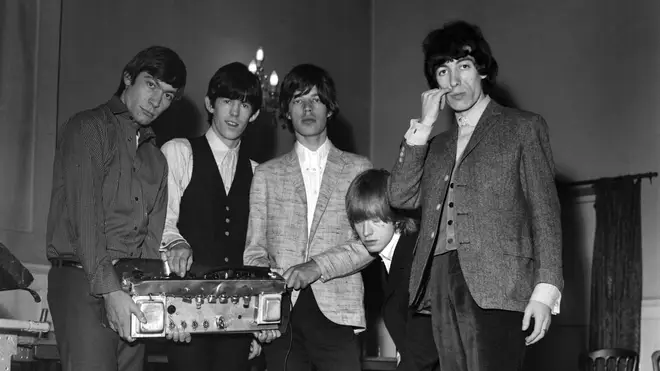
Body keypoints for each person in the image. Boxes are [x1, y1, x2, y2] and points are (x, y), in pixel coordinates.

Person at [387, 20, 564, 371]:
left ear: (482, 71)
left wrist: (546, 292)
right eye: (443, 71)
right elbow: (401, 196)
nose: (454, 81)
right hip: (436, 279)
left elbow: (545, 213)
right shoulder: (434, 145)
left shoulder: (522, 127)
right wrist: (422, 129)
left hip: (499, 283)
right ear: (434, 84)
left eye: (463, 66)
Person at [46, 46, 187, 371]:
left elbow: (151, 245)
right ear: (128, 77)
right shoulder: (87, 128)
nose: (156, 101)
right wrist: (110, 293)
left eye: (167, 96)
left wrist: (156, 301)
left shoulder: (158, 161)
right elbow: (85, 220)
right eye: (151, 84)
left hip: (132, 289)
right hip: (82, 281)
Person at [243, 63, 373, 371]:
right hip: (282, 317)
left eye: (315, 99)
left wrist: (317, 266)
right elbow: (254, 252)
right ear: (286, 111)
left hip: (338, 313)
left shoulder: (358, 168)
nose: (307, 107)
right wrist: (265, 308)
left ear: (329, 108)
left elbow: (369, 243)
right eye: (298, 100)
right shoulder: (266, 174)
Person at [159, 61, 264, 370]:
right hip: (186, 312)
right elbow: (163, 221)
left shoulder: (259, 173)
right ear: (210, 104)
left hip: (239, 317)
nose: (234, 113)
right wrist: (176, 243)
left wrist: (258, 325)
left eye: (244, 104)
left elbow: (259, 250)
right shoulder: (179, 152)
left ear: (254, 114)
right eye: (227, 101)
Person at [346, 168, 439, 371]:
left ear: (396, 215)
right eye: (360, 221)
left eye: (376, 219)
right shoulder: (389, 257)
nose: (366, 231)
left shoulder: (415, 254)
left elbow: (426, 342)